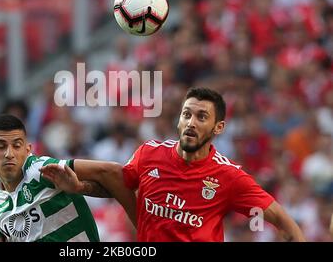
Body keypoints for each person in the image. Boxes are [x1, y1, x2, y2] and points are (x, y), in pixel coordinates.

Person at [41, 87, 306, 242]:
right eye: (187, 114)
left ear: (219, 127)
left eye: (202, 117)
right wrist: (80, 186)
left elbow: (282, 220)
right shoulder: (149, 154)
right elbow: (117, 187)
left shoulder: (228, 176)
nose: (191, 122)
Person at [0, 114, 133, 242]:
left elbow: (112, 171)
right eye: (1, 146)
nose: (9, 154)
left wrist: (145, 230)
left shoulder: (41, 170)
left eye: (17, 146)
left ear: (27, 150)